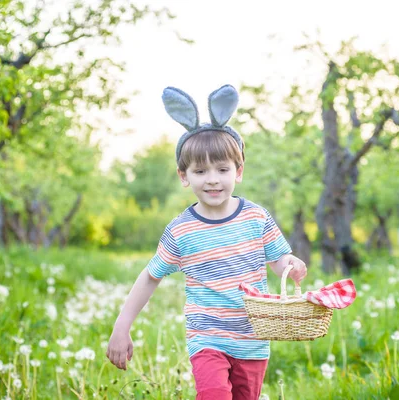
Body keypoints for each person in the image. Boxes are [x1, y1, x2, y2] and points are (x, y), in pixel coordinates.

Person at [106, 84, 307, 400]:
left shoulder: (256, 217)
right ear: (184, 176)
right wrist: (122, 327)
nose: (212, 178)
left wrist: (291, 265)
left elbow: (278, 259)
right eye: (200, 170)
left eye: (222, 169)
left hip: (253, 339)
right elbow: (150, 276)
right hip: (207, 337)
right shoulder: (181, 231)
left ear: (238, 171)